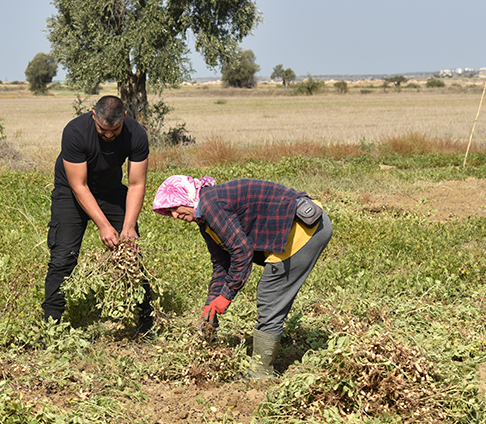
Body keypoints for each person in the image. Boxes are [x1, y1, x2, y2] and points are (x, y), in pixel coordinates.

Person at [152, 176, 332, 379]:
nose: (174, 215)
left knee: (269, 294)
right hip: (296, 226)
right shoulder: (205, 218)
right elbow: (222, 263)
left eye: (175, 207)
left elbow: (241, 251)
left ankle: (261, 374)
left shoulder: (211, 205)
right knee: (270, 293)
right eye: (169, 213)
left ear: (187, 197)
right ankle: (261, 367)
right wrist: (211, 303)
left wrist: (227, 295)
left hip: (304, 228)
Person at [42, 95, 153, 331]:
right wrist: (103, 225)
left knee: (131, 251)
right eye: (104, 129)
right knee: (63, 257)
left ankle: (147, 322)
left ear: (124, 117)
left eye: (115, 129)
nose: (110, 135)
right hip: (71, 192)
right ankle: (51, 325)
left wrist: (129, 226)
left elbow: (136, 184)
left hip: (111, 190)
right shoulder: (75, 132)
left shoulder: (137, 134)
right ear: (94, 115)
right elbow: (79, 186)